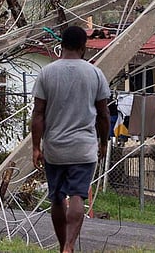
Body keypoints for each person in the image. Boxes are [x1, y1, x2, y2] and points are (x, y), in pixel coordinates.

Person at [31, 26, 111, 253]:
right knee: (78, 195)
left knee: (57, 198)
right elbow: (104, 114)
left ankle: (60, 245)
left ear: (62, 46)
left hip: (54, 147)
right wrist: (103, 142)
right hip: (84, 148)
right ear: (83, 47)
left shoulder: (47, 73)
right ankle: (69, 245)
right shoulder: (95, 73)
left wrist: (36, 147)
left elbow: (38, 114)